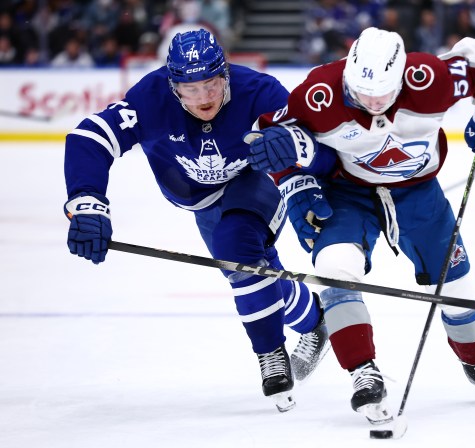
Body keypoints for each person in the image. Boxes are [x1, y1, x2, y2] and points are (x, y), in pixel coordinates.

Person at [244, 27, 475, 425]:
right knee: (334, 269)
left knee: (456, 282)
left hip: (419, 192)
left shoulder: (430, 77)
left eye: (383, 94)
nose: (373, 102)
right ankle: (362, 371)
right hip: (347, 192)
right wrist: (296, 181)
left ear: (403, 77)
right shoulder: (319, 91)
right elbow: (273, 136)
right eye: (361, 93)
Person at [62, 29, 330, 412]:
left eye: (212, 84)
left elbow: (309, 139)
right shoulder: (150, 97)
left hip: (253, 182)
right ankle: (313, 319)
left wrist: (294, 151)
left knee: (235, 245)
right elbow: (89, 137)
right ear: (173, 86)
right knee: (250, 273)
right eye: (190, 89)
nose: (204, 97)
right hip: (200, 201)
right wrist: (87, 201)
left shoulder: (259, 91)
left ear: (226, 75)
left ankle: (271, 353)